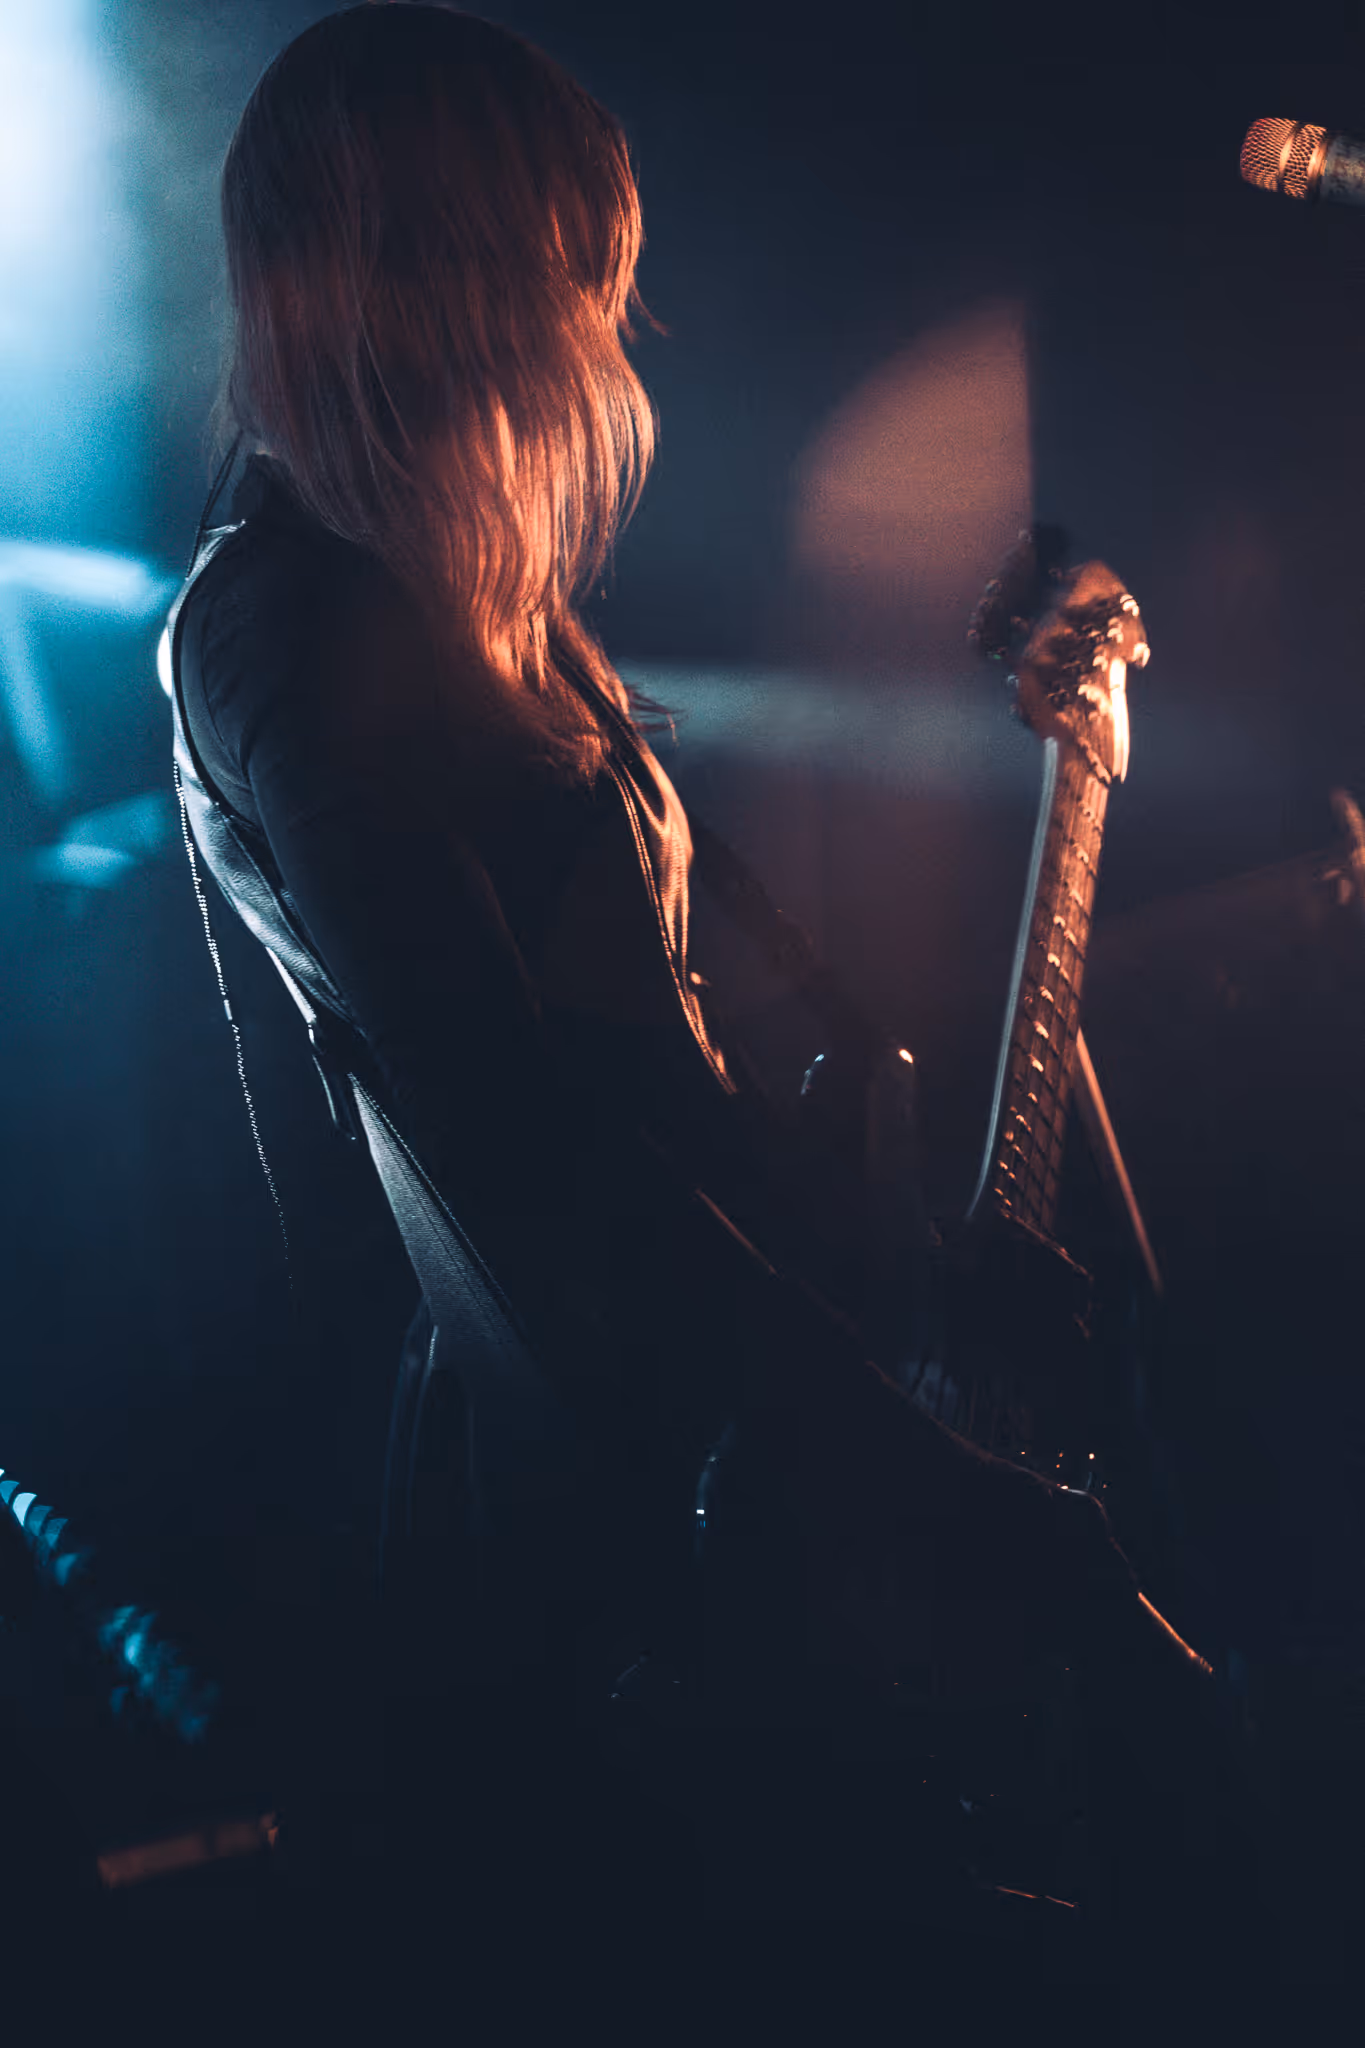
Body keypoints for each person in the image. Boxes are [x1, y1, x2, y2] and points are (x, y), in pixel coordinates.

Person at [169, 3, 1265, 1953]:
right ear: (444, 282)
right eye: (566, 281)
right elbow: (541, 1166)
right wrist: (947, 1498)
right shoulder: (285, 632)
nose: (595, 346)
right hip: (604, 1556)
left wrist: (905, 1269)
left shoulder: (459, 616)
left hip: (704, 1462)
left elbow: (652, 1094)